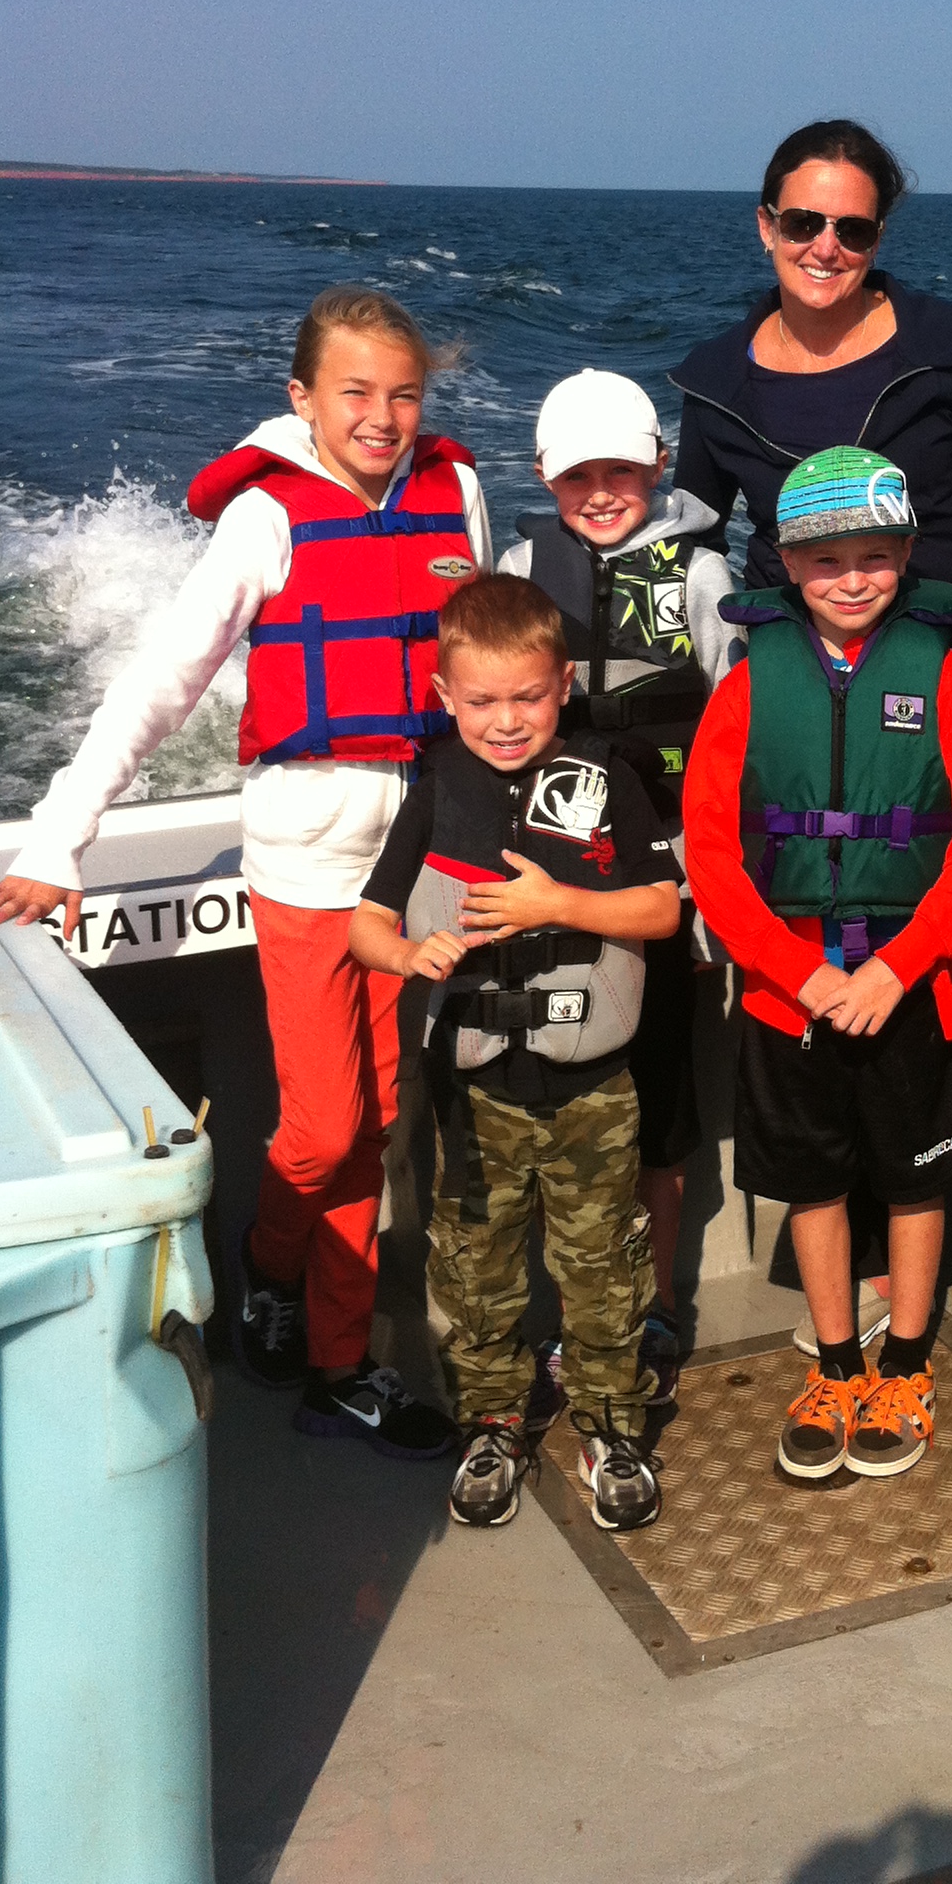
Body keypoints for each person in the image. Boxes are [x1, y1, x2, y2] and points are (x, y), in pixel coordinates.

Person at [0, 285, 488, 1456]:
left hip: (423, 861)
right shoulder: (263, 521)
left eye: (404, 394)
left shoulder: (453, 489)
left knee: (382, 1120)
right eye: (355, 392)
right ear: (301, 397)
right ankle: (265, 1265)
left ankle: (338, 1358)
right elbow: (158, 686)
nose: (382, 416)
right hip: (309, 863)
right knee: (322, 1129)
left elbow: (486, 665)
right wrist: (60, 843)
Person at [682, 448, 952, 1485]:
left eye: (875, 556)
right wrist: (799, 972)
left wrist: (899, 966)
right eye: (826, 561)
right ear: (783, 563)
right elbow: (714, 857)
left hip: (913, 985)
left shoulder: (945, 676)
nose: (852, 578)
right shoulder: (744, 686)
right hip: (790, 995)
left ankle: (905, 1360)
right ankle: (835, 1359)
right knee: (812, 1183)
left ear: (908, 557)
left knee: (915, 1182)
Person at [350, 576, 681, 1533]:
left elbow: (660, 910)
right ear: (445, 697)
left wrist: (556, 906)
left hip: (593, 1089)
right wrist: (410, 954)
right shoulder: (435, 789)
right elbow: (366, 927)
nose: (506, 721)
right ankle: (492, 1422)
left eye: (528, 697)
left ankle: (610, 1427)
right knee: (477, 1268)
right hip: (476, 1089)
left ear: (563, 685)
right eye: (483, 701)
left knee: (604, 1268)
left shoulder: (607, 780)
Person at [497, 367, 740, 1410]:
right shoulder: (517, 570)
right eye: (577, 475)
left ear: (658, 465)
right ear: (549, 479)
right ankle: (564, 1303)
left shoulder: (701, 574)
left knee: (656, 1112)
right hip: (542, 894)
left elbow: (735, 727)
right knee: (548, 1104)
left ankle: (655, 1306)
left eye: (621, 471)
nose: (601, 491)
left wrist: (714, 877)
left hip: (661, 892)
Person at [672, 119, 952, 679]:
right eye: (803, 223)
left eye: (852, 230)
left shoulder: (946, 346)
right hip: (791, 677)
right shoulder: (714, 379)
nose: (825, 248)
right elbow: (692, 546)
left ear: (876, 239)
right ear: (766, 227)